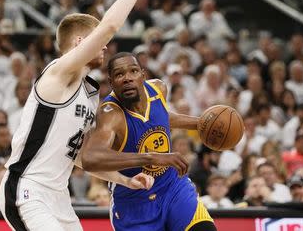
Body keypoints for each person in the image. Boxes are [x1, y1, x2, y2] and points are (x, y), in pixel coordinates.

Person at [0, 0, 162, 231]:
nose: (104, 48)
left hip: (59, 197)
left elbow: (80, 158)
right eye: (97, 40)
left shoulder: (89, 94)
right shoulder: (58, 74)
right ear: (79, 42)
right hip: (28, 188)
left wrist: (125, 179)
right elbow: (110, 26)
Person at [80, 52, 216, 231]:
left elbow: (161, 117)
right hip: (134, 203)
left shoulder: (158, 89)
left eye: (133, 71)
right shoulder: (110, 114)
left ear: (143, 75)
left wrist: (200, 124)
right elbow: (90, 158)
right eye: (120, 74)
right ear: (111, 83)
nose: (127, 78)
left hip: (172, 187)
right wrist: (151, 158)